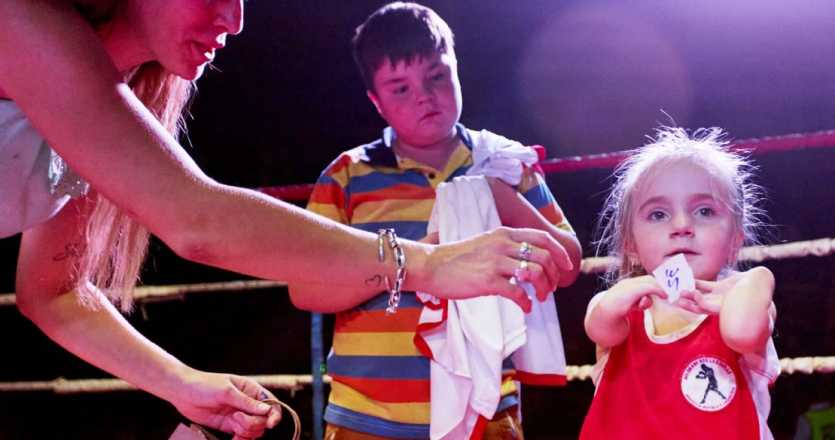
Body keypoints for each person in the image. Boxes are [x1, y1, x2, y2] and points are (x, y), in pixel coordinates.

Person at [0, 1, 572, 438]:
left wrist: (185, 384)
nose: (236, 18)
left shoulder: (111, 91)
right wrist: (426, 263)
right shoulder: (22, 20)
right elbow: (199, 220)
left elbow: (55, 294)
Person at [287, 3, 582, 439]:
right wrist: (418, 263)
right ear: (376, 102)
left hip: (488, 410)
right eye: (400, 88)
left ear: (456, 70)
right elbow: (305, 288)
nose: (424, 95)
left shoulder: (502, 163)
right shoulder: (347, 176)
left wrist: (497, 196)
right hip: (367, 416)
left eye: (436, 76)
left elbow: (570, 262)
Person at [579, 127, 779, 439]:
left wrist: (760, 276)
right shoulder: (621, 311)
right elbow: (599, 326)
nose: (682, 225)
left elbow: (742, 331)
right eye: (658, 214)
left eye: (704, 210)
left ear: (736, 236)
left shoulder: (744, 300)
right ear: (630, 242)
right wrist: (633, 288)